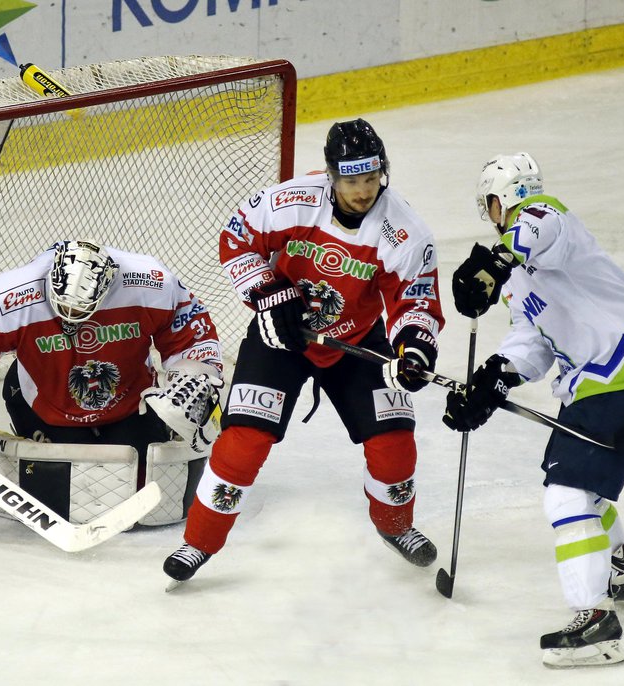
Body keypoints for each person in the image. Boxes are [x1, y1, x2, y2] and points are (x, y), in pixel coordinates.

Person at [162, 118, 445, 584]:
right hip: (281, 337)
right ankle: (198, 542)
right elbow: (237, 242)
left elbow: (415, 297)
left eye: (372, 179)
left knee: (394, 442)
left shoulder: (405, 231)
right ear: (331, 175)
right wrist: (272, 296)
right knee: (243, 442)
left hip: (355, 341)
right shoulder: (290, 201)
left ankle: (396, 525)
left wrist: (414, 347)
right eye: (352, 180)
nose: (363, 191)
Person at [443, 153, 624, 668]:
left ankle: (594, 620)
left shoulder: (547, 218)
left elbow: (536, 229)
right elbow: (535, 343)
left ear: (502, 201)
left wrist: (497, 261)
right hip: (617, 381)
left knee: (565, 493)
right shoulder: (522, 276)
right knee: (582, 486)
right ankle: (620, 577)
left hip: (621, 376)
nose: (494, 215)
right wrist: (492, 380)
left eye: (492, 206)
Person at [0, 238, 224, 525]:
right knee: (62, 488)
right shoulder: (10, 296)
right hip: (45, 406)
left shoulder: (151, 282)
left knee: (140, 485)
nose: (73, 319)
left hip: (130, 404)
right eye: (64, 310)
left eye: (82, 311)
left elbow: (192, 335)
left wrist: (199, 372)